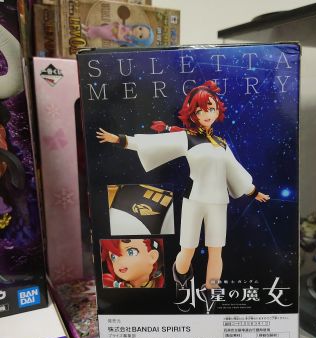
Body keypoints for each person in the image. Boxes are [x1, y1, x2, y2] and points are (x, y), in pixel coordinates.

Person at [96, 80, 270, 296]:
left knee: (216, 251)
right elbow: (153, 144)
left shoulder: (222, 143)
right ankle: (180, 277)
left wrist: (253, 192)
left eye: (211, 108)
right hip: (194, 200)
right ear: (193, 114)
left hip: (218, 202)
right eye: (200, 110)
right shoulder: (187, 138)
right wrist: (120, 140)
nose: (207, 114)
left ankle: (212, 290)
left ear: (217, 110)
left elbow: (235, 171)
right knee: (187, 249)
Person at [81, 22, 154, 47]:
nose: (138, 32)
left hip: (112, 35)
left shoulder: (129, 40)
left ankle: (88, 34)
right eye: (140, 28)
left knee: (100, 31)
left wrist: (119, 28)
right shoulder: (129, 27)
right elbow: (122, 26)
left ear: (139, 41)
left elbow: (119, 38)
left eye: (140, 36)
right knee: (99, 28)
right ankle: (87, 28)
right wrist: (118, 25)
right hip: (112, 28)